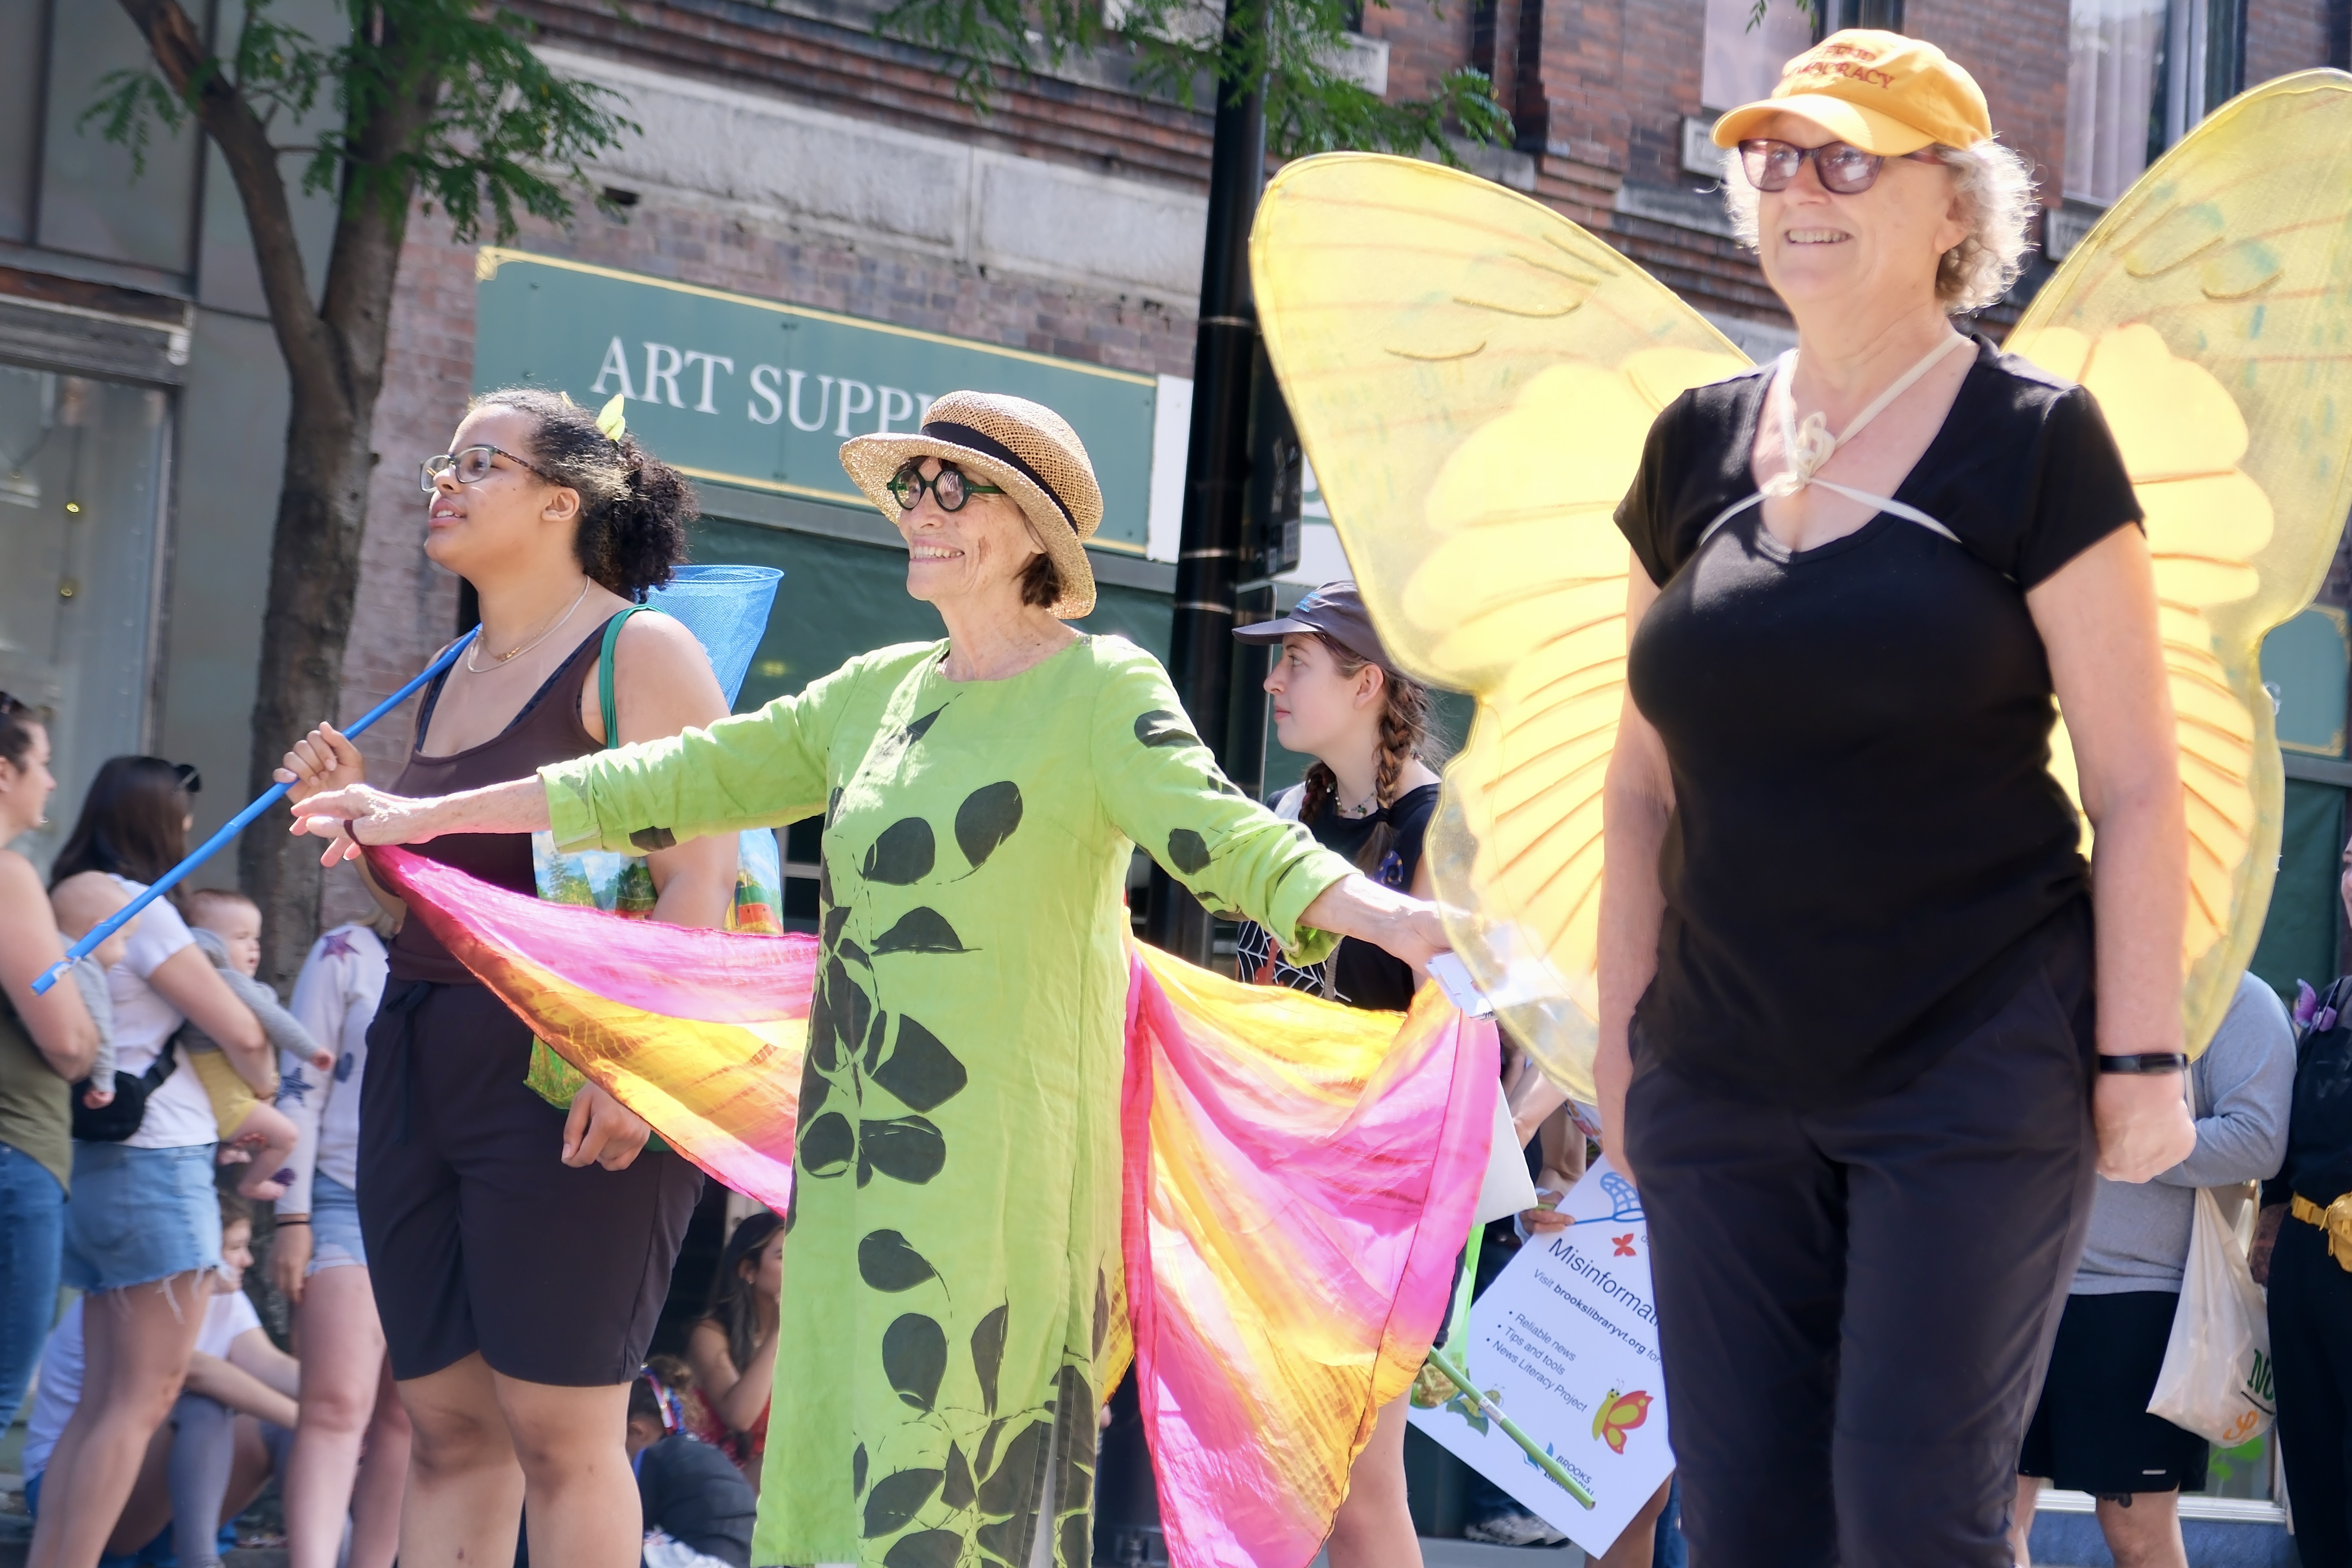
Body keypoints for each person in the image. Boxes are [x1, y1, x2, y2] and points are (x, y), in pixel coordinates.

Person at [288, 389, 1451, 1568]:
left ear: (1031, 527)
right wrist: (419, 814)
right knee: (836, 1472)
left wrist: (1398, 917)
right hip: (853, 1154)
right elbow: (657, 780)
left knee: (954, 1481)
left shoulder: (1102, 688)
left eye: (949, 487)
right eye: (908, 486)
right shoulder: (875, 692)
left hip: (1000, 1166)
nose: (916, 510)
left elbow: (1233, 842)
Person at [1593, 30, 2194, 1564]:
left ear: (1954, 208)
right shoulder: (1690, 444)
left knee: (1908, 1514)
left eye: (1845, 160)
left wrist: (2138, 1057)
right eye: (1773, 158)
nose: (1797, 189)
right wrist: (1618, 1049)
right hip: (1719, 1068)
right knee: (1745, 1522)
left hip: (1970, 1056)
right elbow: (1639, 790)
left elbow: (2133, 782)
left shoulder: (2035, 440)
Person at [272, 387, 739, 1568]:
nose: (445, 480)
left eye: (481, 462)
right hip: (422, 1047)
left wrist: (636, 1073)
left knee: (562, 1433)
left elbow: (704, 874)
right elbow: (433, 908)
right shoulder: (445, 672)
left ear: (560, 502)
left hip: (569, 1063)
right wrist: (360, 822)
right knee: (447, 1430)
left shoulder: (641, 651)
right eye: (446, 459)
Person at [1229, 581, 1440, 1568]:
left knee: (1357, 1488)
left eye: (1296, 663)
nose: (1271, 682)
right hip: (1276, 1179)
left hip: (1378, 1194)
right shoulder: (1289, 815)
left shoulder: (1442, 829)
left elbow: (1462, 1035)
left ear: (1367, 685)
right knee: (1281, 1473)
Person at [31, 757, 275, 1568]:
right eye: (182, 819)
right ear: (158, 822)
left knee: (104, 1400)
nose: (190, 833)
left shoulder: (65, 894)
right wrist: (262, 1078)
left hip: (101, 1163)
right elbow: (238, 1024)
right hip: (160, 1166)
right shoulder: (140, 905)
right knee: (140, 1401)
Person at [2012, 971, 2293, 1568]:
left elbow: (2258, 1138)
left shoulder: (2238, 1000)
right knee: (1987, 1515)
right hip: (2018, 1289)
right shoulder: (2051, 978)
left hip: (2140, 1297)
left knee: (2135, 1530)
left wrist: (2126, 1145)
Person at [22, 1192, 298, 1568]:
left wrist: (346, 1407)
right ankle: (201, 1561)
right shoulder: (137, 1297)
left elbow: (269, 1364)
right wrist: (304, 1417)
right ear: (199, 1249)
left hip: (160, 1489)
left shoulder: (225, 1297)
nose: (247, 1260)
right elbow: (196, 1371)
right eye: (235, 1247)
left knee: (281, 1430)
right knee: (200, 1407)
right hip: (75, 1487)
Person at [274, 906, 411, 1568]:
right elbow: (300, 1086)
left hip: (443, 1210)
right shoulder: (346, 951)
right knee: (335, 1404)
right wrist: (291, 1217)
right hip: (342, 1194)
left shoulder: (485, 946)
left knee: (409, 1418)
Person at [0, 693, 102, 1437]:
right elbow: (66, 1040)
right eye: (41, 762)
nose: (53, 780)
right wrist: (94, 1041)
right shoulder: (8, 876)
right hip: (14, 1146)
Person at [2250, 831, 2352, 1568]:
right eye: (2348, 863)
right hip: (2304, 1254)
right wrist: (2269, 1217)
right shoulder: (2335, 996)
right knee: (2310, 1457)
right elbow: (2293, 1126)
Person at [176, 888, 335, 1200]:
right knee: (287, 1136)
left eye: (256, 938)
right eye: (241, 937)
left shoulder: (200, 983)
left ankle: (231, 1149)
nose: (254, 946)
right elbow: (273, 1020)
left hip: (217, 1096)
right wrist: (309, 1050)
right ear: (208, 942)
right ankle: (252, 1184)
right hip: (228, 1101)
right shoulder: (226, 980)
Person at [629, 1358, 758, 1568]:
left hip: (701, 1561)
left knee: (615, 1545)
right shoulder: (701, 1452)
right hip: (739, 1562)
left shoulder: (653, 1458)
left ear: (637, 1432)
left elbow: (636, 1526)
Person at [682, 1210, 781, 1486]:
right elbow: (740, 1417)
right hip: (713, 1485)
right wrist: (779, 1330)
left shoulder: (804, 1340)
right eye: (783, 1256)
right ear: (749, 1270)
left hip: (767, 1489)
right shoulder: (708, 1335)